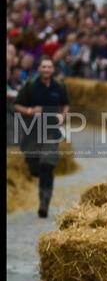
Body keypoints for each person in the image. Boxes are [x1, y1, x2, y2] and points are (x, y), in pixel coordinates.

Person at [13, 56, 70, 217]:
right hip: (32, 132)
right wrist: (30, 111)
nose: (46, 70)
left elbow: (66, 104)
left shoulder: (59, 86)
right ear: (40, 69)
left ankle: (44, 200)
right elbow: (17, 105)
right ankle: (36, 172)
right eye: (44, 67)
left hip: (51, 131)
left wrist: (62, 116)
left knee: (47, 165)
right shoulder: (30, 86)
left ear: (53, 69)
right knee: (34, 167)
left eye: (49, 67)